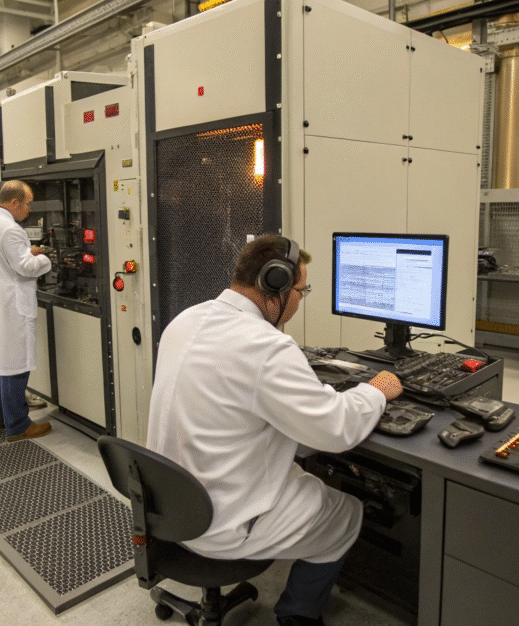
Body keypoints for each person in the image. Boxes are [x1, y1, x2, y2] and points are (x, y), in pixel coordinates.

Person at [146, 234, 403, 626]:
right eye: (302, 291)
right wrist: (376, 391)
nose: (300, 301)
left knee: (300, 473)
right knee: (346, 513)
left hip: (171, 506)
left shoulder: (186, 320)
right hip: (222, 522)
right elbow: (336, 429)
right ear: (275, 283)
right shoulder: (267, 348)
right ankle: (298, 613)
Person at [0, 180, 54, 443]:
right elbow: (26, 268)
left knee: (1, 363)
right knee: (15, 365)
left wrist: (26, 252)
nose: (29, 209)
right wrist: (44, 258)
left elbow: (7, 258)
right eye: (28, 204)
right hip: (13, 306)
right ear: (14, 202)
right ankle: (19, 425)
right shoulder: (11, 229)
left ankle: (0, 416)